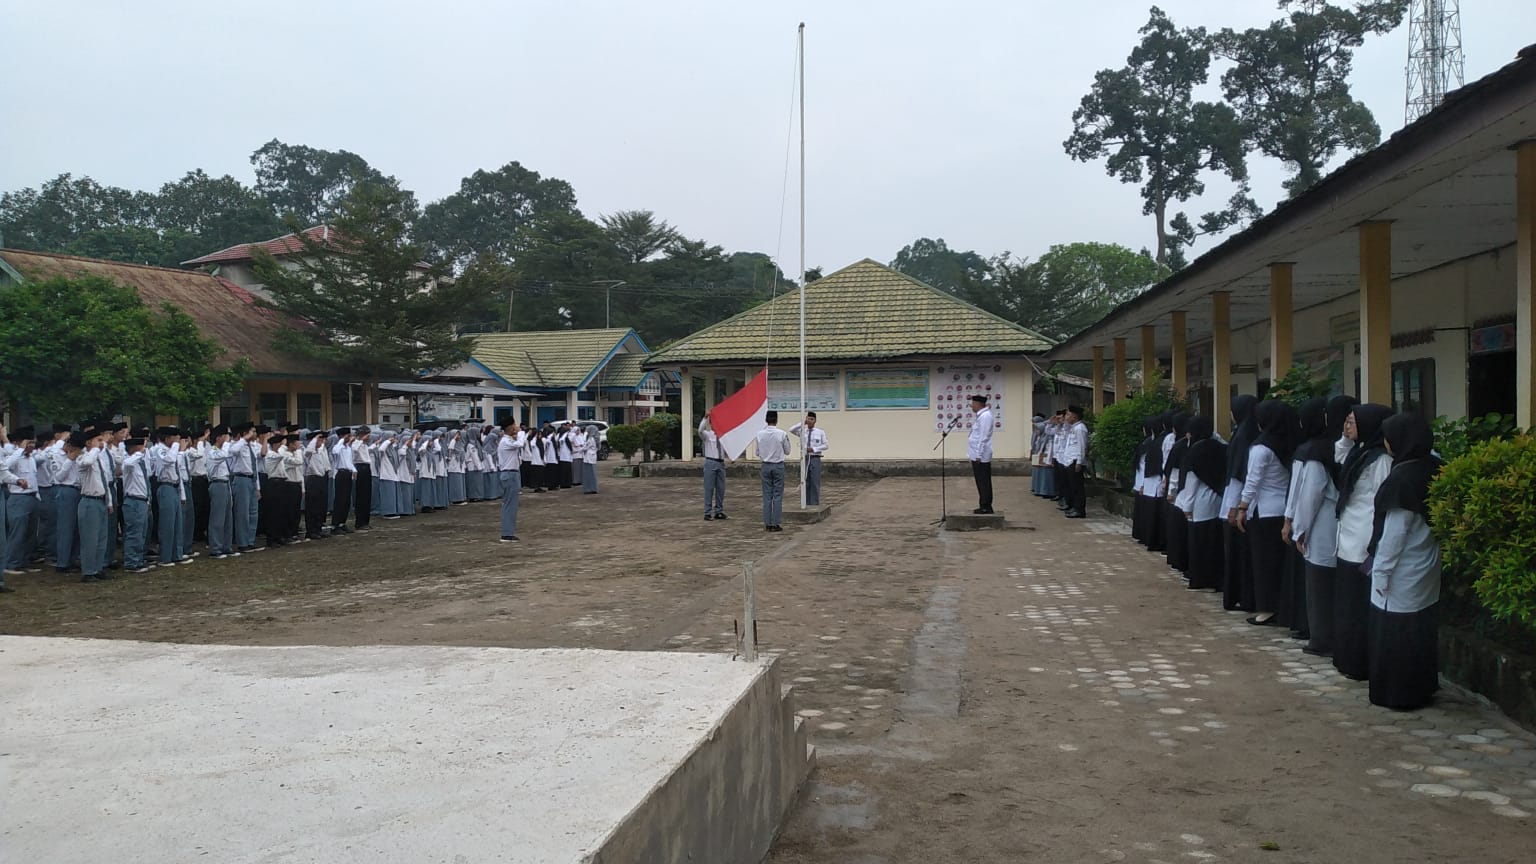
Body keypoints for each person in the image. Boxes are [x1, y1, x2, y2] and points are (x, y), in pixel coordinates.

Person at [1367, 412, 1443, 710]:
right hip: (1427, 562)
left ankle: (1398, 695)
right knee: (1421, 628)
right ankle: (1422, 688)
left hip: (1404, 567)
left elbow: (1394, 535)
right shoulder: (1435, 467)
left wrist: (1380, 573)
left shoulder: (1402, 479)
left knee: (1397, 632)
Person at [1289, 394, 1356, 656]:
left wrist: (1299, 528)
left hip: (1322, 524)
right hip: (1346, 526)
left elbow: (1310, 495)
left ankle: (1320, 639)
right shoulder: (1351, 449)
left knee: (1319, 586)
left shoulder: (1318, 451)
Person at [1333, 403, 1395, 680]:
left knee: (1358, 606)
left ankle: (1360, 662)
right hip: (1348, 535)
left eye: (1352, 422)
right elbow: (1340, 458)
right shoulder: (1360, 452)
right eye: (1346, 421)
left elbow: (1382, 501)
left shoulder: (1380, 459)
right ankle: (1348, 658)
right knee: (1347, 604)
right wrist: (1346, 438)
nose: (1347, 426)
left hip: (1363, 538)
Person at [1234, 400, 1297, 626]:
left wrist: (1242, 507)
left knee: (1263, 563)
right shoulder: (1290, 442)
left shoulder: (1261, 448)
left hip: (1264, 511)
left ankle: (1267, 608)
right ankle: (1281, 606)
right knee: (1279, 562)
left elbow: (1253, 481)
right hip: (1284, 509)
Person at [1221, 396, 1261, 611]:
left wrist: (1235, 506)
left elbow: (1239, 473)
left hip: (1240, 502)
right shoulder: (1245, 431)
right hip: (1242, 500)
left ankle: (1242, 596)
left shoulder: (1244, 435)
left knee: (1239, 553)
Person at [1179, 416, 1227, 591]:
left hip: (1201, 501)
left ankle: (1200, 578)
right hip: (1219, 499)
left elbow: (1192, 482)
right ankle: (1217, 580)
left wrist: (1187, 506)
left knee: (1200, 544)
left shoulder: (1195, 450)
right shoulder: (1222, 447)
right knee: (1215, 543)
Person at [76, 430, 115, 583]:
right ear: (88, 443)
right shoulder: (83, 457)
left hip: (101, 500)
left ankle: (98, 568)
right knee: (90, 539)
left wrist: (109, 502)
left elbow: (105, 481)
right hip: (89, 500)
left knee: (101, 538)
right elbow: (87, 462)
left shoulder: (100, 459)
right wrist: (94, 450)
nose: (101, 443)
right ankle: (88, 570)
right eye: (97, 440)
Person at [3, 432, 40, 577]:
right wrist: (19, 450)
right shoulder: (13, 456)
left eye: (33, 443)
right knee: (17, 533)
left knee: (30, 534)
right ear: (20, 442)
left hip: (32, 497)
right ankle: (11, 563)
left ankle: (24, 561)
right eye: (29, 442)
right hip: (18, 498)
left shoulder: (31, 459)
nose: (32, 446)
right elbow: (5, 467)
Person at [150, 427, 187, 567]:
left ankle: (176, 554)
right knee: (167, 524)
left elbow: (177, 470)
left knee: (177, 523)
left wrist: (182, 494)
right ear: (167, 439)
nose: (177, 440)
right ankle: (165, 557)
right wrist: (178, 446)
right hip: (165, 486)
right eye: (174, 438)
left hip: (175, 486)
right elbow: (169, 460)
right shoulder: (161, 450)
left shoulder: (172, 450)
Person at [1162, 413, 1192, 571]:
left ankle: (1179, 560)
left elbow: (1174, 470)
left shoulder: (1181, 445)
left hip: (1182, 493)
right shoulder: (1183, 444)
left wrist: (1170, 491)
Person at [120, 436, 152, 573]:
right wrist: (138, 452)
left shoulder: (140, 464)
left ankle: (139, 559)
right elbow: (127, 464)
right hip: (133, 501)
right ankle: (131, 562)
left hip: (142, 500)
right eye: (142, 447)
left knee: (141, 533)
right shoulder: (129, 462)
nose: (144, 450)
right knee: (134, 533)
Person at [755, 411, 791, 531]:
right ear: (776, 420)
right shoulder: (782, 434)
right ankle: (775, 523)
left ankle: (767, 522)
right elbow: (787, 451)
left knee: (767, 495)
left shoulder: (759, 434)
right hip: (778, 465)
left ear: (766, 420)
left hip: (765, 465)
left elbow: (757, 452)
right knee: (777, 495)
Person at [204, 425, 237, 559]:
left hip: (225, 482)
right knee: (217, 518)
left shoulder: (222, 450)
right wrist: (227, 444)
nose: (228, 439)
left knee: (228, 518)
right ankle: (215, 547)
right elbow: (223, 454)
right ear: (218, 437)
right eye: (225, 436)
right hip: (217, 484)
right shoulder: (213, 452)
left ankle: (226, 546)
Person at [789, 412, 829, 506]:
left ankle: (814, 504)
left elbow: (826, 445)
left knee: (815, 481)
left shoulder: (820, 432)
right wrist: (803, 423)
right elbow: (791, 429)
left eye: (811, 419)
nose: (809, 421)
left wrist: (814, 449)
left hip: (815, 457)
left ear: (815, 421)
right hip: (805, 458)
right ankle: (806, 503)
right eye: (808, 419)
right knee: (805, 481)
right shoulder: (803, 431)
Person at [496, 418, 524, 542]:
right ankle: (506, 533)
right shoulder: (505, 442)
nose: (516, 427)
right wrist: (521, 432)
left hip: (513, 473)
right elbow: (520, 444)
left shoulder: (508, 440)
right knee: (509, 505)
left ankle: (509, 532)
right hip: (509, 474)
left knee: (512, 505)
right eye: (514, 425)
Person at [1060, 404, 1089, 518]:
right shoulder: (1073, 428)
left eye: (1068, 414)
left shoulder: (1080, 428)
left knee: (1077, 487)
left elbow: (1082, 446)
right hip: (1069, 461)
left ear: (1074, 416)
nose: (1066, 417)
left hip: (1075, 461)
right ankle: (1073, 507)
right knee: (1071, 486)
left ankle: (1079, 510)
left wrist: (1079, 462)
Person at [968, 395, 996, 515]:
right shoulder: (981, 416)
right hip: (976, 454)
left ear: (978, 404)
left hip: (981, 455)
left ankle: (986, 505)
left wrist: (979, 454)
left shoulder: (985, 416)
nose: (972, 406)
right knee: (980, 481)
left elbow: (983, 437)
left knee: (983, 480)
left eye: (973, 404)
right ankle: (983, 504)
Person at [302, 430, 331, 540]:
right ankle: (311, 530)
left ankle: (318, 528)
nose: (322, 441)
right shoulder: (309, 451)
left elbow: (326, 463)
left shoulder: (322, 450)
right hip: (313, 479)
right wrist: (315, 439)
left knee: (320, 505)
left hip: (322, 478)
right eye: (320, 439)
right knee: (312, 506)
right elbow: (309, 450)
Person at [699, 413, 729, 520]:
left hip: (720, 463)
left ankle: (719, 511)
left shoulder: (723, 436)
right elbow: (700, 430)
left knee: (721, 488)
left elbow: (727, 449)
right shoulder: (707, 435)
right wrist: (705, 417)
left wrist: (731, 456)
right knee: (709, 488)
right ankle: (707, 512)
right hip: (710, 462)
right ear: (711, 424)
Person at [1030, 413, 1058, 500]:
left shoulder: (1048, 435)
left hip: (1048, 455)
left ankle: (1048, 492)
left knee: (1047, 474)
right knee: (1040, 473)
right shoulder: (1040, 435)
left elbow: (1050, 447)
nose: (1036, 430)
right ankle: (1040, 490)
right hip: (1042, 455)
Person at [352, 427, 375, 527]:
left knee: (367, 496)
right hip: (360, 468)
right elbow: (354, 449)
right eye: (367, 435)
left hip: (367, 468)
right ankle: (360, 522)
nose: (368, 437)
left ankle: (366, 521)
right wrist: (360, 439)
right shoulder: (356, 443)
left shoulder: (365, 445)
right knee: (361, 496)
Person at [581, 425, 600, 493]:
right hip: (591, 458)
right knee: (592, 473)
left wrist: (578, 450)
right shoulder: (595, 438)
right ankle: (592, 488)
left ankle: (590, 489)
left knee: (589, 474)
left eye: (587, 430)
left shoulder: (590, 439)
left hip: (588, 458)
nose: (586, 431)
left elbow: (584, 447)